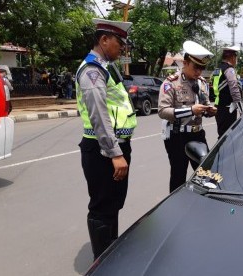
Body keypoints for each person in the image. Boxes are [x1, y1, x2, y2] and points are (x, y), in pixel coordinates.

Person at [75, 18, 137, 260]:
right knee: (102, 207)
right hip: (103, 152)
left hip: (113, 150)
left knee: (113, 205)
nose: (122, 48)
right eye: (119, 43)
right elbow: (99, 116)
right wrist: (116, 154)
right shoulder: (92, 70)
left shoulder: (105, 67)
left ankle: (111, 255)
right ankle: (101, 263)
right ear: (104, 40)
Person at [158, 40, 217, 193]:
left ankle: (200, 203)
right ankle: (176, 210)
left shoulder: (202, 83)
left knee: (207, 175)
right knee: (178, 176)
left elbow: (204, 103)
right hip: (178, 136)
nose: (199, 72)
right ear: (185, 63)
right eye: (196, 67)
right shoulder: (170, 83)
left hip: (197, 134)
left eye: (202, 68)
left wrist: (209, 110)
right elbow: (163, 111)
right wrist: (191, 110)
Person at [213, 45, 243, 138]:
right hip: (228, 108)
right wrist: (241, 110)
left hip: (218, 106)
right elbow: (234, 89)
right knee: (228, 136)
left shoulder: (217, 69)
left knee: (222, 134)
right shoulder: (229, 69)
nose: (236, 60)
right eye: (236, 57)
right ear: (232, 57)